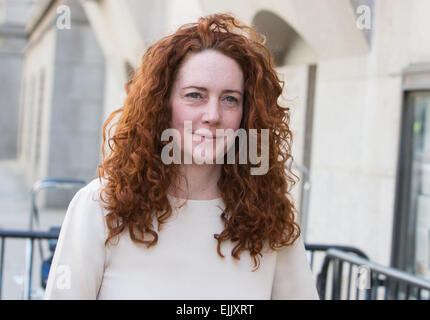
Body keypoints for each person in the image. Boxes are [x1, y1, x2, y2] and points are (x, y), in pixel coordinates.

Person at [44, 13, 319, 300]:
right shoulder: (101, 208)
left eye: (229, 99)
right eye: (195, 95)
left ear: (246, 113)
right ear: (161, 105)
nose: (213, 115)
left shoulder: (270, 216)